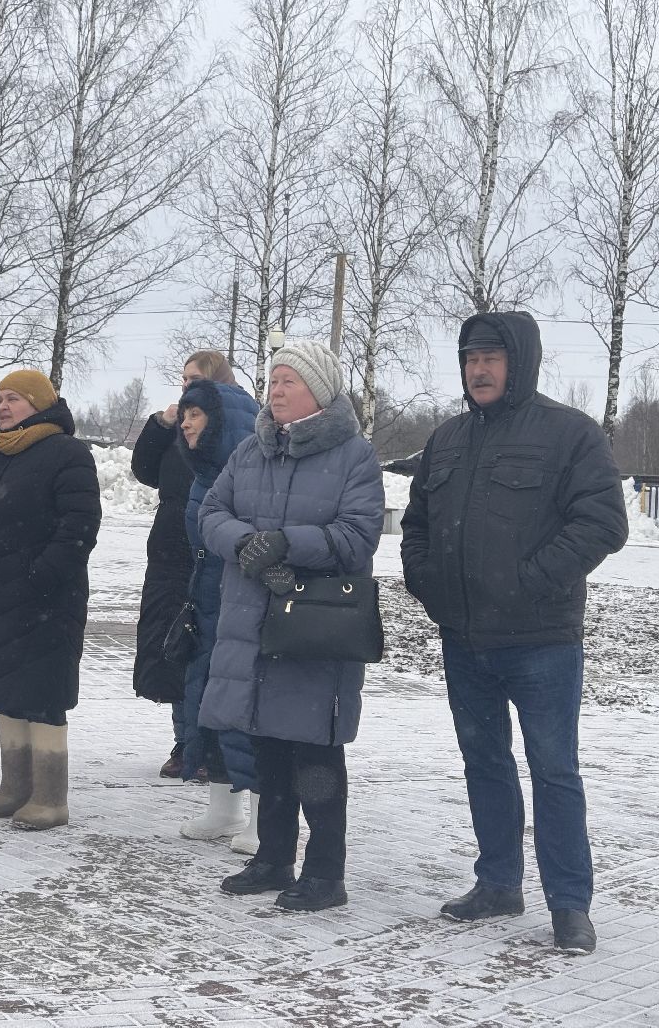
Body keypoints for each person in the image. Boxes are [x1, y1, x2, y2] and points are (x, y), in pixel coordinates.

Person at [400, 311, 627, 955]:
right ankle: (498, 882)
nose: (479, 369)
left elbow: (603, 523)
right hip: (465, 638)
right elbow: (416, 524)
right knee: (485, 763)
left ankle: (569, 904)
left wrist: (530, 580)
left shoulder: (569, 435)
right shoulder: (445, 440)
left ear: (520, 363)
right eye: (471, 358)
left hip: (541, 639)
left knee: (554, 769)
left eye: (493, 358)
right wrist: (427, 580)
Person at [199, 343, 383, 912]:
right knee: (268, 744)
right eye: (273, 380)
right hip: (255, 625)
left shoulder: (354, 456)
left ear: (319, 392)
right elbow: (211, 513)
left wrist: (286, 543)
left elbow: (357, 534)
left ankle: (326, 873)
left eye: (288, 381)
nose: (275, 390)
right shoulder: (251, 452)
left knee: (315, 754)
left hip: (315, 628)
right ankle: (273, 858)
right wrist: (246, 544)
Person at [0, 370, 101, 830]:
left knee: (42, 696)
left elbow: (79, 525)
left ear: (38, 403)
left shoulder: (67, 453)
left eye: (14, 398)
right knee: (7, 694)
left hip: (45, 599)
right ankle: (14, 788)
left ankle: (51, 798)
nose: (5, 406)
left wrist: (41, 574)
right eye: (0, 398)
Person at [131, 351, 235, 779]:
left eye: (196, 379)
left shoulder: (229, 427)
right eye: (184, 380)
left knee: (212, 649)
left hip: (211, 543)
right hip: (171, 545)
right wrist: (160, 424)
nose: (187, 387)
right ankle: (183, 741)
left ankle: (213, 746)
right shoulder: (183, 425)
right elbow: (144, 470)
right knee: (176, 644)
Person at [172, 374, 261, 850]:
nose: (186, 423)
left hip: (245, 598)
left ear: (221, 423)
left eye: (196, 414)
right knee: (210, 698)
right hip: (207, 596)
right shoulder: (206, 471)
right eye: (184, 414)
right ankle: (223, 808)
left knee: (251, 705)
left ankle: (264, 818)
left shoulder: (253, 471)